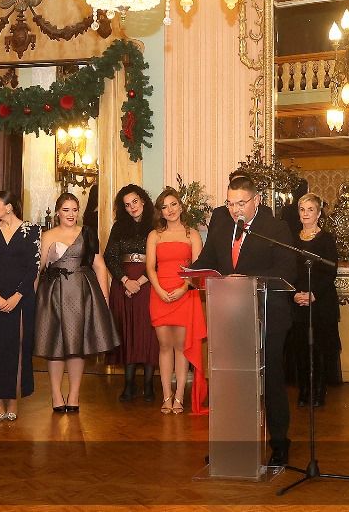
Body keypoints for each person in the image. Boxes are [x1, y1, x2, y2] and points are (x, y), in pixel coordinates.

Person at [192, 174, 298, 466]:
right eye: (230, 203)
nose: (235, 209)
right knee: (233, 381)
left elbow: (287, 271)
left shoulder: (274, 228)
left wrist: (247, 280)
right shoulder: (222, 225)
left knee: (270, 380)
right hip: (231, 317)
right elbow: (207, 261)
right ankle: (232, 444)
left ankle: (279, 444)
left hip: (268, 315)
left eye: (241, 203)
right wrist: (191, 272)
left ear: (256, 200)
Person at [36, 192, 118, 413]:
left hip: (82, 293)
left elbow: (99, 266)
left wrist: (104, 300)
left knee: (77, 346)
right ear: (57, 212)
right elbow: (38, 269)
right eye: (66, 210)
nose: (71, 214)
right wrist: (31, 298)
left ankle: (74, 395)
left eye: (74, 210)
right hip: (53, 294)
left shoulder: (88, 233)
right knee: (54, 345)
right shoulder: (47, 236)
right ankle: (56, 394)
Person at [0, 190, 40, 421]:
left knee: (18, 347)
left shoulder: (32, 230)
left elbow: (33, 267)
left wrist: (17, 296)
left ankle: (13, 398)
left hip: (21, 299)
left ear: (9, 206)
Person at [147, 188, 207, 414]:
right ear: (160, 212)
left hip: (185, 294)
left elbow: (197, 269)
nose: (170, 210)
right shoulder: (154, 235)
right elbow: (150, 268)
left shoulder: (192, 234)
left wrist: (183, 289)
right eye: (164, 207)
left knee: (181, 347)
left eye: (173, 204)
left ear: (181, 207)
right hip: (160, 293)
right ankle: (166, 396)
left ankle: (179, 396)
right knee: (164, 346)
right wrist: (159, 290)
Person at [285, 193, 339, 409]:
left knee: (318, 348)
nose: (306, 214)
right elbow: (287, 270)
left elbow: (330, 272)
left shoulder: (326, 239)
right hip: (297, 301)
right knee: (300, 349)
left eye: (310, 209)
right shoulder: (292, 240)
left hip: (320, 302)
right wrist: (293, 294)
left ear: (318, 214)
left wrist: (314, 293)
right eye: (302, 209)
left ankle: (318, 389)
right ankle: (304, 389)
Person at [105, 184, 159, 402]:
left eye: (135, 202)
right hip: (123, 284)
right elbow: (110, 257)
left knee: (148, 333)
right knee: (127, 331)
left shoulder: (157, 225)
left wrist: (141, 282)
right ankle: (128, 384)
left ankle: (148, 384)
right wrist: (126, 281)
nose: (132, 207)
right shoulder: (119, 227)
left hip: (149, 282)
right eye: (127, 205)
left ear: (143, 200)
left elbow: (161, 259)